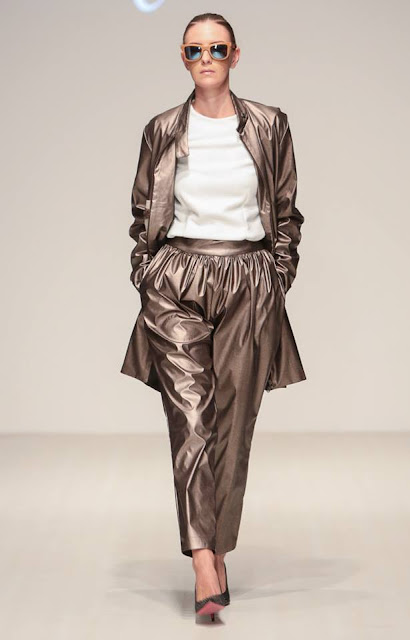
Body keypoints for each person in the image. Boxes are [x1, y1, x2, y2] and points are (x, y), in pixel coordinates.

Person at [121, 12, 306, 619]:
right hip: (177, 277)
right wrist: (146, 272)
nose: (207, 58)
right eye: (195, 49)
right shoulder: (162, 129)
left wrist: (277, 277)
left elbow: (286, 210)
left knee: (232, 424)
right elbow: (144, 209)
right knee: (190, 419)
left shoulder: (270, 124)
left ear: (235, 55)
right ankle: (204, 562)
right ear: (183, 57)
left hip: (248, 277)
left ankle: (219, 548)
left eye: (217, 48)